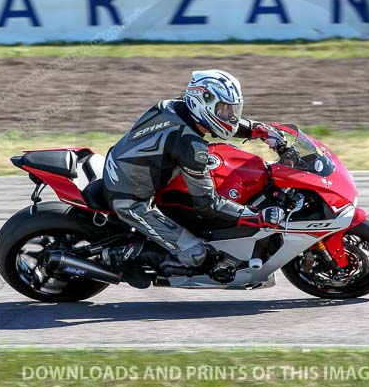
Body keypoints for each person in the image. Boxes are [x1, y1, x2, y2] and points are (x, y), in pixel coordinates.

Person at [102, 69, 286, 275]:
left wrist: (258, 129)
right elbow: (207, 204)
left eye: (232, 109)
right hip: (131, 200)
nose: (230, 116)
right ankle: (125, 253)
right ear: (203, 102)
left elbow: (225, 124)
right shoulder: (191, 146)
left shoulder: (171, 107)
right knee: (196, 255)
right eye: (224, 109)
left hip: (124, 167)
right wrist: (254, 217)